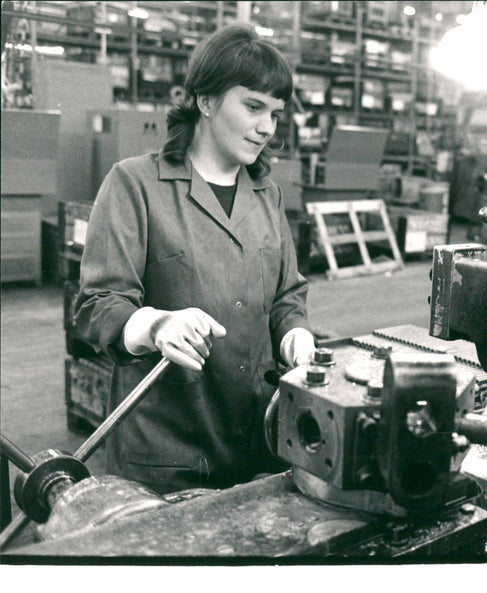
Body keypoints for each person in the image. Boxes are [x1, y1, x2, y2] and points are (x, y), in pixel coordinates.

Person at [75, 24, 316, 495]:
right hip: (167, 452)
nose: (267, 127)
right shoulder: (134, 185)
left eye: (275, 113)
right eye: (253, 106)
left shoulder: (267, 194)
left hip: (257, 442)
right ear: (205, 102)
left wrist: (296, 336)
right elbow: (97, 303)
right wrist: (156, 324)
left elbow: (287, 294)